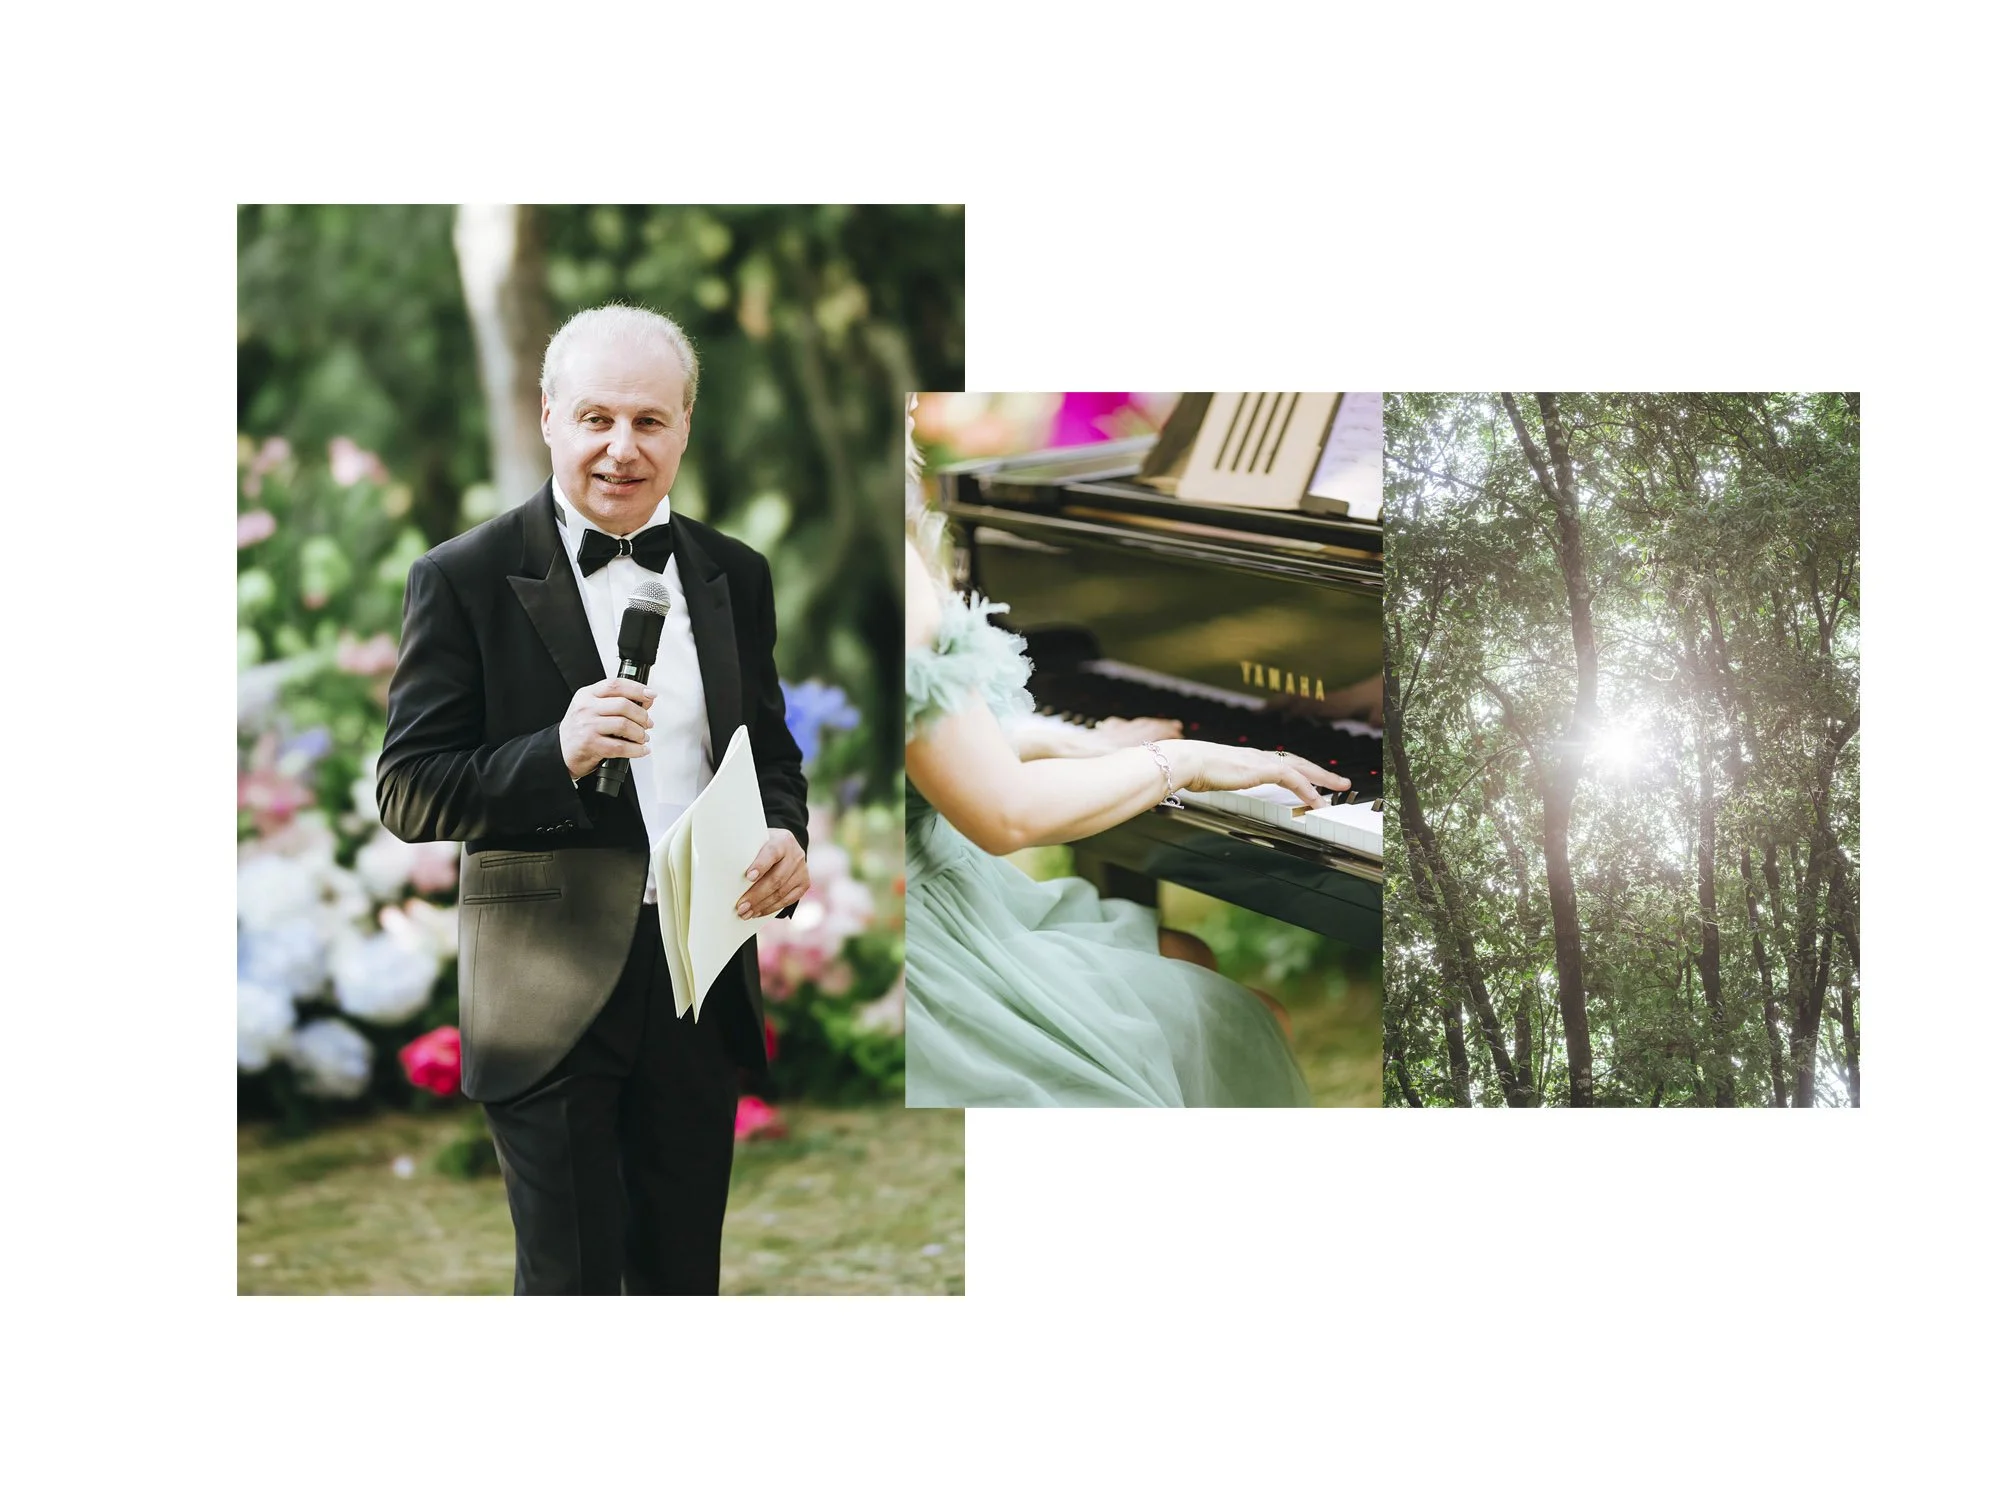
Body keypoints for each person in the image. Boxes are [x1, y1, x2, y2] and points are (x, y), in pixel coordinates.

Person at [377, 304, 809, 1294]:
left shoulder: (734, 574)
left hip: (698, 973)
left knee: (678, 1278)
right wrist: (554, 752)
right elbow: (407, 790)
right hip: (545, 988)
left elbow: (769, 752)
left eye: (650, 422)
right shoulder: (463, 578)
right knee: (569, 1284)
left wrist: (784, 830)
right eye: (597, 419)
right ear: (547, 418)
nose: (622, 448)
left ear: (686, 426)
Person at [902, 448, 1345, 1107]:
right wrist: (1186, 760)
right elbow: (1007, 816)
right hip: (922, 950)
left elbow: (922, 730)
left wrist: (1060, 738)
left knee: (1187, 953)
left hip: (943, 895)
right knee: (1245, 1024)